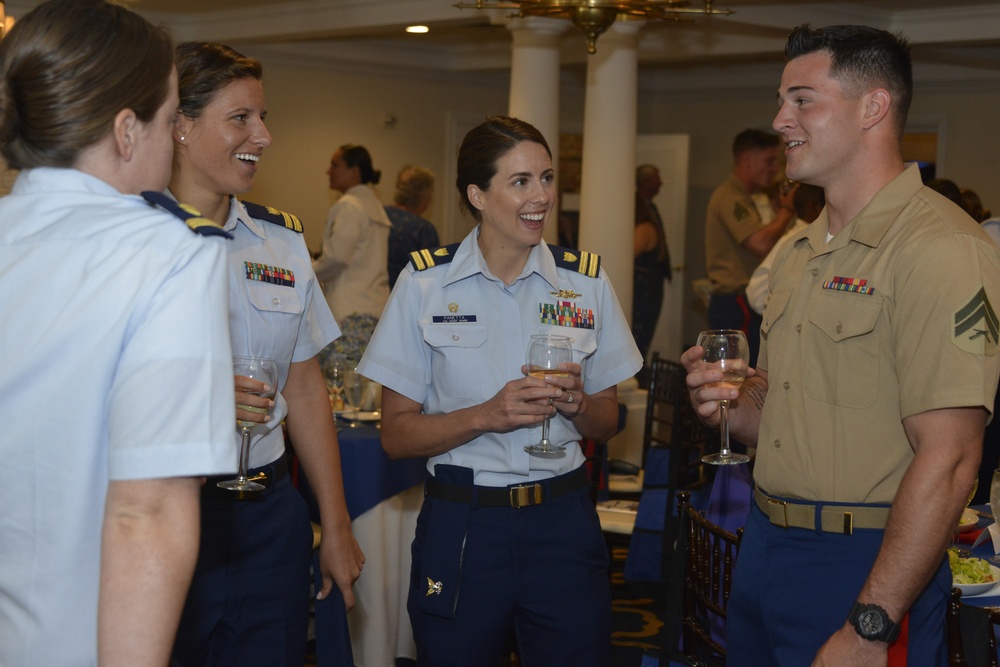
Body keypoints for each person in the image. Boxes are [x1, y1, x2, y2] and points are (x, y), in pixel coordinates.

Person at [683, 24, 1000, 665]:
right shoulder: (802, 251)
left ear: (873, 108)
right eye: (782, 99)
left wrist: (869, 625)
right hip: (766, 543)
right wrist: (728, 405)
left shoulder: (940, 248)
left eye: (802, 99)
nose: (780, 119)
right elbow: (778, 411)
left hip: (865, 563)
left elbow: (951, 460)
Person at [357, 115, 642, 666]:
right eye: (520, 182)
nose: (542, 197)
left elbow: (609, 421)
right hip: (463, 523)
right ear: (477, 195)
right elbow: (396, 435)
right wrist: (486, 415)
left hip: (562, 520)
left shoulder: (586, 282)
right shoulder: (424, 284)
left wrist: (580, 406)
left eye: (547, 178)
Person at [0, 2, 236, 664]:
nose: (174, 137)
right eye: (170, 119)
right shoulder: (167, 256)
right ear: (127, 131)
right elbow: (147, 512)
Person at [168, 42, 363, 666]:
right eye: (241, 118)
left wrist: (334, 525)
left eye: (263, 116)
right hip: (171, 512)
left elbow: (303, 387)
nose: (265, 135)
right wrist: (194, 399)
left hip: (270, 514)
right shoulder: (128, 243)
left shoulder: (280, 243)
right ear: (180, 125)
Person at [705, 128, 798, 366]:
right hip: (736, 303)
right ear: (747, 160)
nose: (775, 169)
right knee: (742, 378)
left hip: (740, 301)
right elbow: (761, 244)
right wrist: (787, 210)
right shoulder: (730, 197)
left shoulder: (748, 198)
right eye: (769, 161)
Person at [313, 144, 392, 322]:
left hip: (349, 312)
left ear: (354, 171)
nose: (328, 171)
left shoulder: (349, 205)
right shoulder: (376, 206)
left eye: (335, 165)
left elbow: (337, 258)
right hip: (376, 309)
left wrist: (307, 271)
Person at [745, 183, 825, 315]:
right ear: (816, 208)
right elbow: (756, 293)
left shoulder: (823, 238)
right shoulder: (792, 241)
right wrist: (787, 314)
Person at [633, 164, 672, 385]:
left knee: (643, 338)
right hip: (643, 289)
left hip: (650, 285)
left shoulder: (653, 210)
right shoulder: (644, 227)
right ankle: (637, 380)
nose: (661, 183)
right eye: (657, 179)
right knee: (638, 336)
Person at [386, 164, 439, 288]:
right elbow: (428, 276)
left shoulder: (379, 216)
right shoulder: (423, 230)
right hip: (404, 298)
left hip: (374, 296)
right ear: (423, 194)